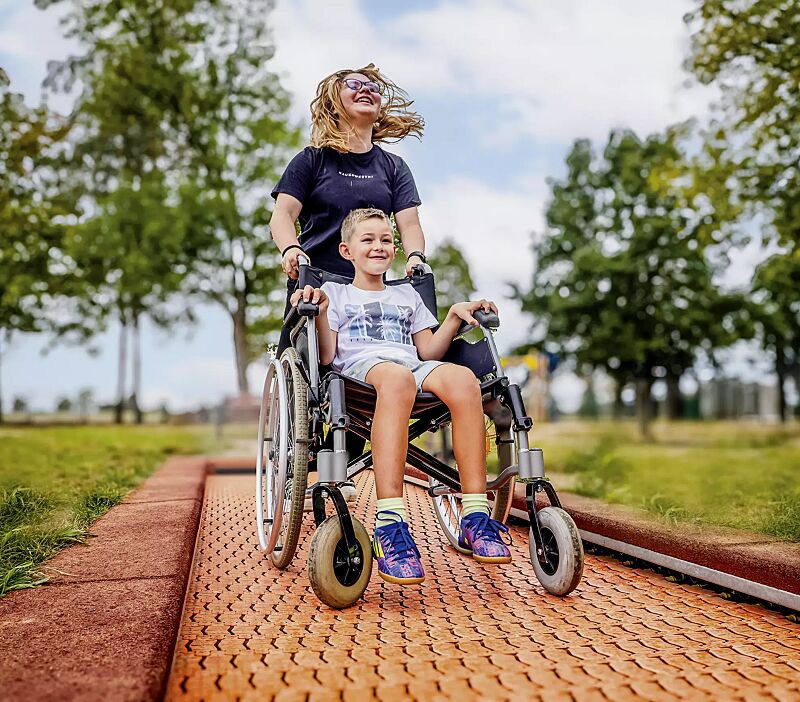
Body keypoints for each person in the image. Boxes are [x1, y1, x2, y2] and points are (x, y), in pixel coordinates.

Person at [290, 208, 512, 585]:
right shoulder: (335, 293)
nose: (379, 246)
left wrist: (454, 317)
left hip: (412, 367)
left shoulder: (407, 295)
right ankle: (390, 523)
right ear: (347, 251)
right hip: (361, 372)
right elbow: (327, 357)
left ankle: (475, 515)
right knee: (396, 379)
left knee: (463, 380)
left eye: (386, 240)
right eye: (368, 240)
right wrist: (322, 314)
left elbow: (428, 351)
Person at [270, 63, 427, 502]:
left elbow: (409, 222)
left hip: (368, 291)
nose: (366, 91)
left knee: (364, 373)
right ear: (334, 103)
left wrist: (414, 256)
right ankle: (299, 464)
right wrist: (289, 250)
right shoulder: (312, 161)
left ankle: (341, 468)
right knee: (315, 377)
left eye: (372, 87)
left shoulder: (393, 167)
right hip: (315, 284)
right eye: (353, 86)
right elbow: (282, 216)